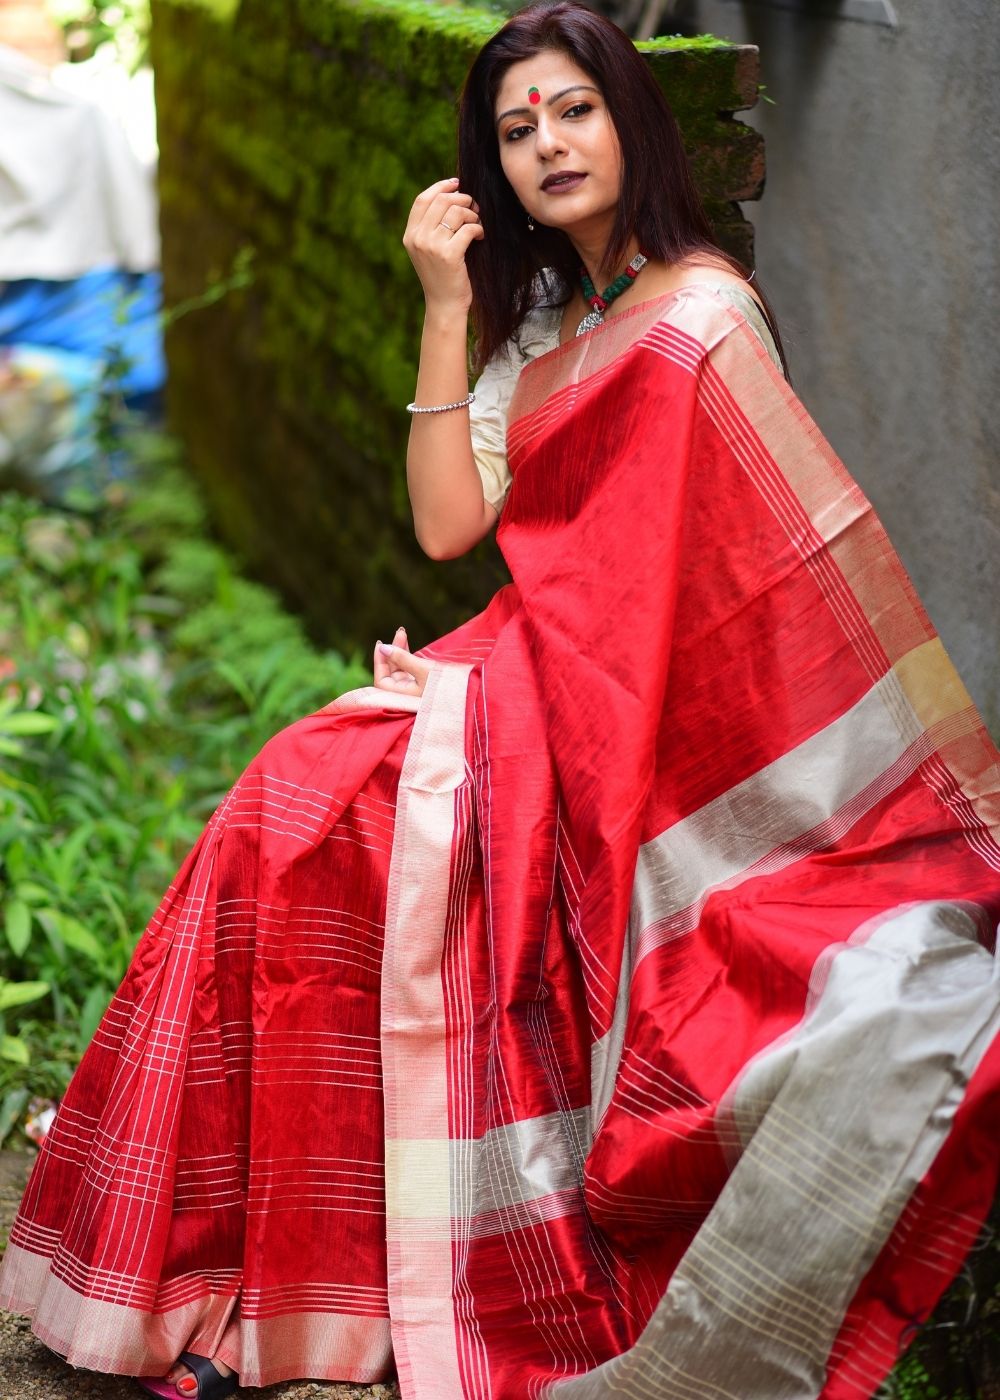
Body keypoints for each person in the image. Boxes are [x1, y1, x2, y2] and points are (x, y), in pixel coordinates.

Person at [2, 3, 998, 1397]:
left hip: (620, 718)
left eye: (574, 111)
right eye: (518, 129)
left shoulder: (704, 317)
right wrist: (446, 305)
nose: (549, 145)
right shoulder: (543, 317)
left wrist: (533, 686)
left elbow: (735, 585)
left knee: (318, 822)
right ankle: (244, 1272)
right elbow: (446, 525)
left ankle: (330, 1271)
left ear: (630, 122)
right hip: (518, 673)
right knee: (279, 814)